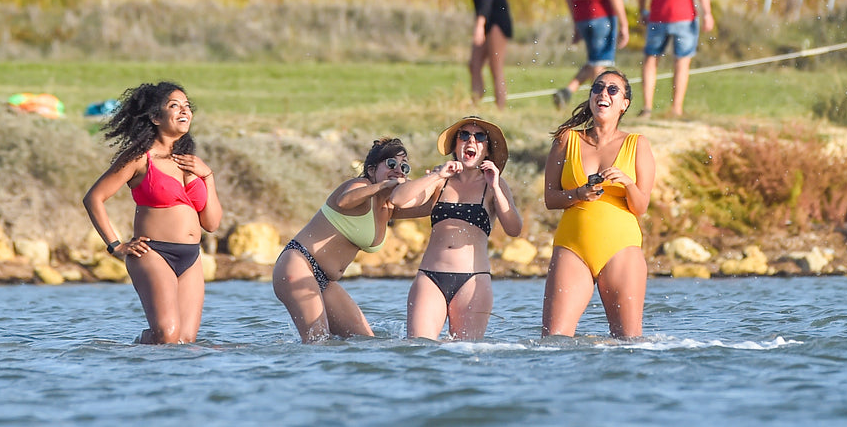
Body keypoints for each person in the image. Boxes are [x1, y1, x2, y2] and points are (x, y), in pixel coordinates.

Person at [82, 81, 222, 344]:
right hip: (152, 253)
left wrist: (208, 177)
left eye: (187, 106)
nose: (184, 110)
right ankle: (132, 353)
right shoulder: (139, 158)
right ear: (156, 117)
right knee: (167, 334)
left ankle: (148, 364)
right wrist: (115, 245)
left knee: (185, 341)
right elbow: (94, 198)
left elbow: (212, 224)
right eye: (174, 106)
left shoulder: (191, 162)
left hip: (191, 257)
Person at [542, 68, 654, 339]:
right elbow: (550, 198)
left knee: (628, 342)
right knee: (553, 341)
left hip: (621, 249)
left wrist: (627, 183)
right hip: (572, 247)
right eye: (598, 88)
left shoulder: (637, 144)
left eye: (612, 90)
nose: (603, 93)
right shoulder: (567, 139)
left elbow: (640, 207)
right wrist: (578, 193)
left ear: (624, 104)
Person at [390, 116, 522, 341]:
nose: (471, 141)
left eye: (479, 137)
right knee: (418, 347)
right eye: (464, 135)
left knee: (465, 351)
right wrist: (436, 175)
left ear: (487, 150)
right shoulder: (440, 180)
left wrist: (495, 186)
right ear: (455, 146)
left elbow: (514, 228)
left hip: (473, 280)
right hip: (430, 277)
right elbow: (398, 200)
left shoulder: (495, 185)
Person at [272, 137, 412, 342]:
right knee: (318, 341)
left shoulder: (387, 207)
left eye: (404, 166)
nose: (398, 170)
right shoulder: (361, 185)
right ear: (372, 170)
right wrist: (384, 185)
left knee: (365, 341)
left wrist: (441, 177)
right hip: (299, 264)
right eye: (391, 163)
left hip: (325, 281)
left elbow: (434, 207)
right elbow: (344, 200)